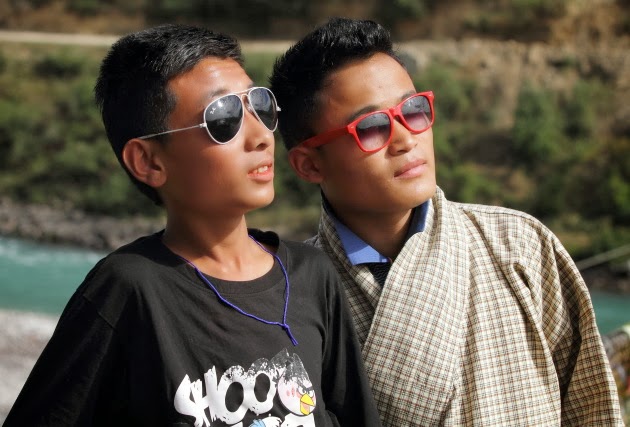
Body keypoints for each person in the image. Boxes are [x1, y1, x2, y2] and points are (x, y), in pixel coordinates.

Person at [4, 23, 381, 427]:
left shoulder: (311, 275)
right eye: (224, 119)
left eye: (260, 106)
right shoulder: (129, 289)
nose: (260, 136)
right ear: (149, 162)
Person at [269, 17, 623, 426]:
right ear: (309, 164)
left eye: (413, 110)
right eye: (372, 127)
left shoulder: (519, 246)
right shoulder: (291, 293)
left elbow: (591, 407)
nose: (406, 138)